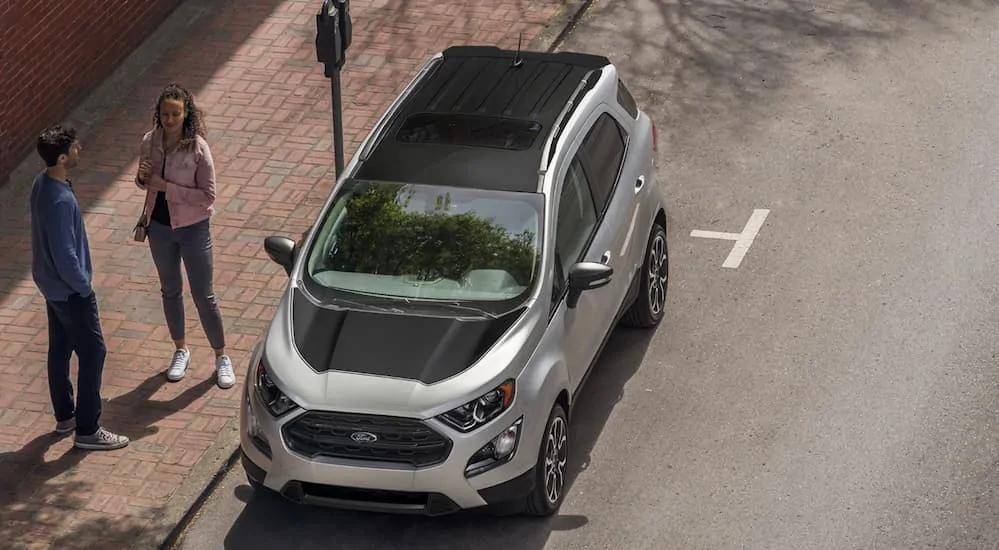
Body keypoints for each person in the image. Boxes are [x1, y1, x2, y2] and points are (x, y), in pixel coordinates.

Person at [30, 125, 129, 451]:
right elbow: (65, 254)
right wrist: (84, 287)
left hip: (52, 288)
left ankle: (65, 415)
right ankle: (88, 428)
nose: (80, 149)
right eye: (74, 148)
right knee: (93, 352)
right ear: (61, 158)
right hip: (71, 292)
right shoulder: (59, 200)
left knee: (60, 349)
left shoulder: (41, 183)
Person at [134, 83, 235, 389]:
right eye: (164, 113)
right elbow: (144, 183)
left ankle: (221, 356)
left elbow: (208, 195)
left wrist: (166, 187)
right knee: (169, 290)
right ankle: (180, 349)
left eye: (175, 113)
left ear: (186, 113)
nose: (169, 119)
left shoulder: (198, 148)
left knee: (204, 294)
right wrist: (142, 178)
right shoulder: (149, 142)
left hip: (193, 227)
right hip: (160, 228)